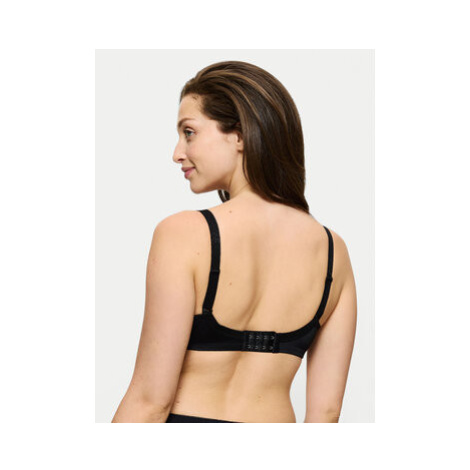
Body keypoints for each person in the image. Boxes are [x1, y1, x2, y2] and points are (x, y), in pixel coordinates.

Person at [111, 60, 357, 423]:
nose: (177, 152)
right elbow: (326, 412)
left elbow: (150, 400)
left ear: (240, 135)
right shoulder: (334, 252)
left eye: (189, 132)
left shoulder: (184, 232)